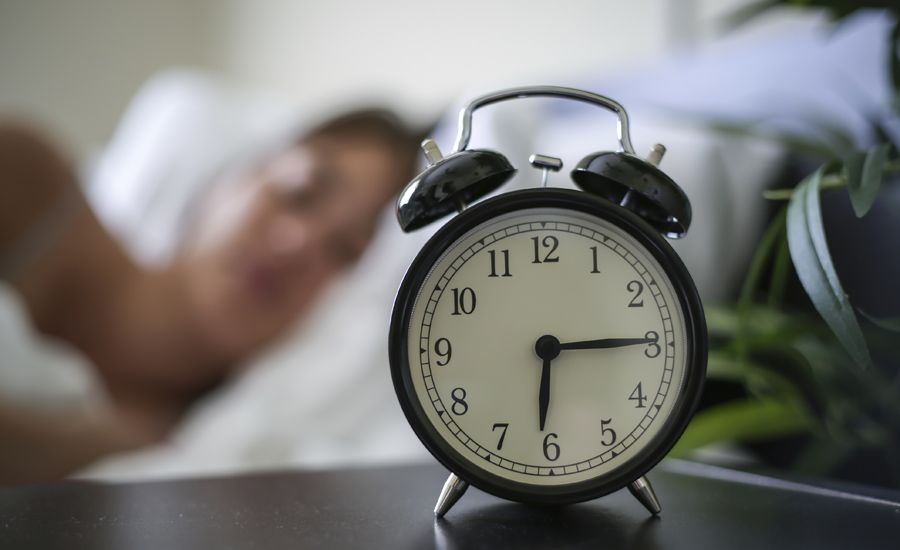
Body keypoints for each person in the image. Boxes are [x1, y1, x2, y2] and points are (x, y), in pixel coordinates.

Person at [0, 108, 422, 483]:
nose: (296, 244)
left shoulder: (180, 463)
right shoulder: (26, 184)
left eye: (344, 253)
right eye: (300, 193)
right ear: (238, 174)